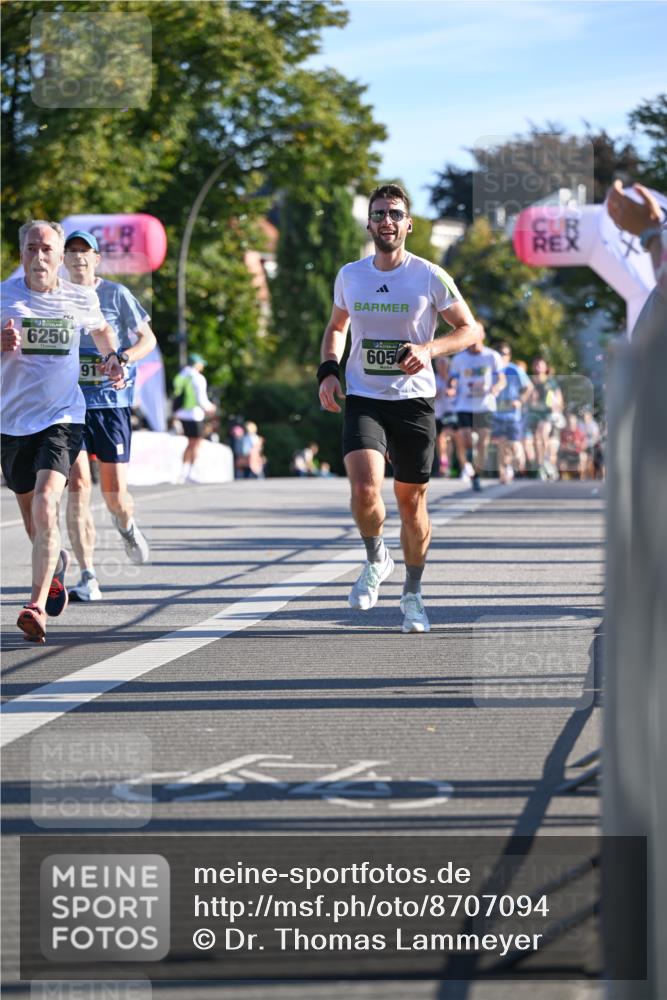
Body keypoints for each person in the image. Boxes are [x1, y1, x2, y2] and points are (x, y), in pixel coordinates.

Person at [318, 182, 478, 634]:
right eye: (378, 214)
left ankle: (413, 594)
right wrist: (328, 370)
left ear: (408, 224)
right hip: (365, 396)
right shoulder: (351, 275)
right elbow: (336, 326)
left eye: (394, 214)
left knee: (411, 504)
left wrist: (428, 349)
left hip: (413, 402)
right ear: (368, 223)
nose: (386, 221)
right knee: (365, 486)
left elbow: (469, 329)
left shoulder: (430, 275)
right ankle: (375, 558)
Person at [1, 220, 123, 642]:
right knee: (33, 519)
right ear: (22, 253)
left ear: (60, 256)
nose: (39, 256)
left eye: (47, 248)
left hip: (63, 417)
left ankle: (36, 607)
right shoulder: (4, 296)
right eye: (31, 248)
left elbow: (103, 331)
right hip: (12, 421)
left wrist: (113, 360)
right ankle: (54, 568)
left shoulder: (79, 297)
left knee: (48, 502)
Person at [63, 230, 156, 601]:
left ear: (97, 258)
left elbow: (147, 339)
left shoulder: (116, 294)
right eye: (71, 252)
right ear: (63, 259)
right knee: (79, 487)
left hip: (110, 405)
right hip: (69, 405)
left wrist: (125, 359)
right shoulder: (57, 296)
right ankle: (88, 574)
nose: (78, 258)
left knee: (115, 495)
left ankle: (126, 523)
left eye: (85, 252)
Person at [449, 323, 506, 491]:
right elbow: (452, 379)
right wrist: (451, 387)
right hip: (464, 405)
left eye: (477, 333)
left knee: (482, 443)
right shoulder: (459, 359)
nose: (473, 337)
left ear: (482, 335)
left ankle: (477, 474)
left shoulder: (492, 356)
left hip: (485, 405)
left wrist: (496, 387)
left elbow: (502, 379)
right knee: (465, 439)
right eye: (470, 333)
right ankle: (467, 464)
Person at [491, 341, 532, 483]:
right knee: (502, 445)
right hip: (497, 414)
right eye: (500, 354)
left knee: (514, 445)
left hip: (513, 415)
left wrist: (520, 401)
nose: (503, 356)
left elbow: (529, 387)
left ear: (509, 356)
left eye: (506, 354)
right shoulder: (491, 370)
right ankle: (504, 472)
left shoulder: (515, 370)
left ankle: (515, 466)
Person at [173, 352, 217, 481]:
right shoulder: (198, 378)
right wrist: (210, 408)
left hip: (181, 414)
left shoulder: (180, 376)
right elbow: (201, 399)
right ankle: (190, 472)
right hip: (194, 414)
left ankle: (184, 471)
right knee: (195, 443)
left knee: (190, 443)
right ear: (196, 364)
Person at [525, 357, 564, 480]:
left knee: (543, 434)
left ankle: (546, 461)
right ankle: (541, 463)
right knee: (536, 438)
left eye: (540, 365)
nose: (538, 367)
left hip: (549, 416)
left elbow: (560, 401)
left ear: (545, 367)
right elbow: (526, 399)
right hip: (535, 415)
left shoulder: (551, 382)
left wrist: (555, 405)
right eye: (536, 365)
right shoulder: (530, 381)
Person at [433, 356, 458, 477]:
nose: (441, 366)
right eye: (439, 364)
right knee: (440, 440)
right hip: (437, 413)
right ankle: (445, 463)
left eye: (443, 364)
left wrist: (451, 392)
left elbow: (456, 390)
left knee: (445, 436)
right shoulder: (434, 378)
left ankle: (445, 463)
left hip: (450, 411)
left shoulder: (452, 377)